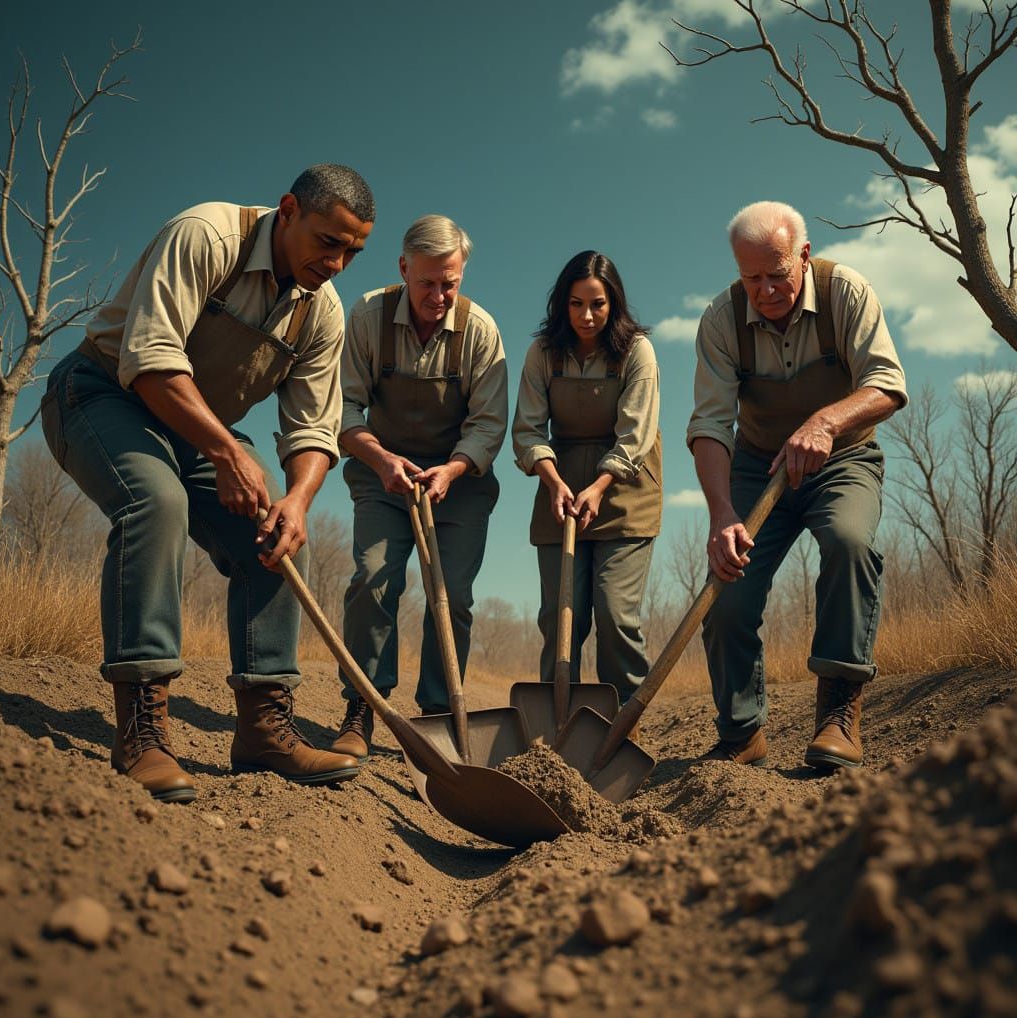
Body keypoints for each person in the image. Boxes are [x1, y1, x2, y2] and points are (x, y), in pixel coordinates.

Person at [39, 164, 375, 803]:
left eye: (353, 251)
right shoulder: (207, 235)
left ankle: (262, 730)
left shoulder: (322, 310)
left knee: (273, 536)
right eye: (329, 242)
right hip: (102, 391)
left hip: (198, 429)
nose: (337, 263)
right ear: (289, 211)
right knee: (155, 502)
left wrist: (298, 502)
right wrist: (227, 452)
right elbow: (149, 359)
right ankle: (142, 728)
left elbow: (312, 427)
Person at [687, 200, 907, 769]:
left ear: (803, 256)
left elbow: (886, 382)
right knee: (727, 589)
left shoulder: (846, 293)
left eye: (777, 273)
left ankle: (839, 714)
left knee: (849, 541)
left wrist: (826, 422)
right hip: (757, 467)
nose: (764, 289)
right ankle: (741, 733)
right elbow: (710, 425)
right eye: (750, 277)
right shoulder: (721, 320)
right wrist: (719, 515)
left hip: (843, 459)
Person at [333, 215, 508, 760]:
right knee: (373, 578)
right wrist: (383, 459)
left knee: (450, 594)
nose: (438, 295)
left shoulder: (480, 331)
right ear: (403, 268)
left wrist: (453, 470)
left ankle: (439, 715)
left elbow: (488, 423)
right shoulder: (366, 316)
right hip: (382, 471)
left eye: (450, 283)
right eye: (427, 282)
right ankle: (362, 708)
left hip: (459, 482)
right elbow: (342, 406)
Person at [512, 251, 662, 705]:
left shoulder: (636, 350)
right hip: (559, 485)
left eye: (597, 304)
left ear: (613, 303)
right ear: (562, 304)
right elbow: (528, 429)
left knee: (615, 613)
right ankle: (557, 728)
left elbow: (637, 433)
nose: (587, 315)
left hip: (625, 489)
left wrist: (599, 487)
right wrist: (554, 482)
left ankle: (624, 726)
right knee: (562, 617)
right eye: (576, 304)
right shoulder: (542, 353)